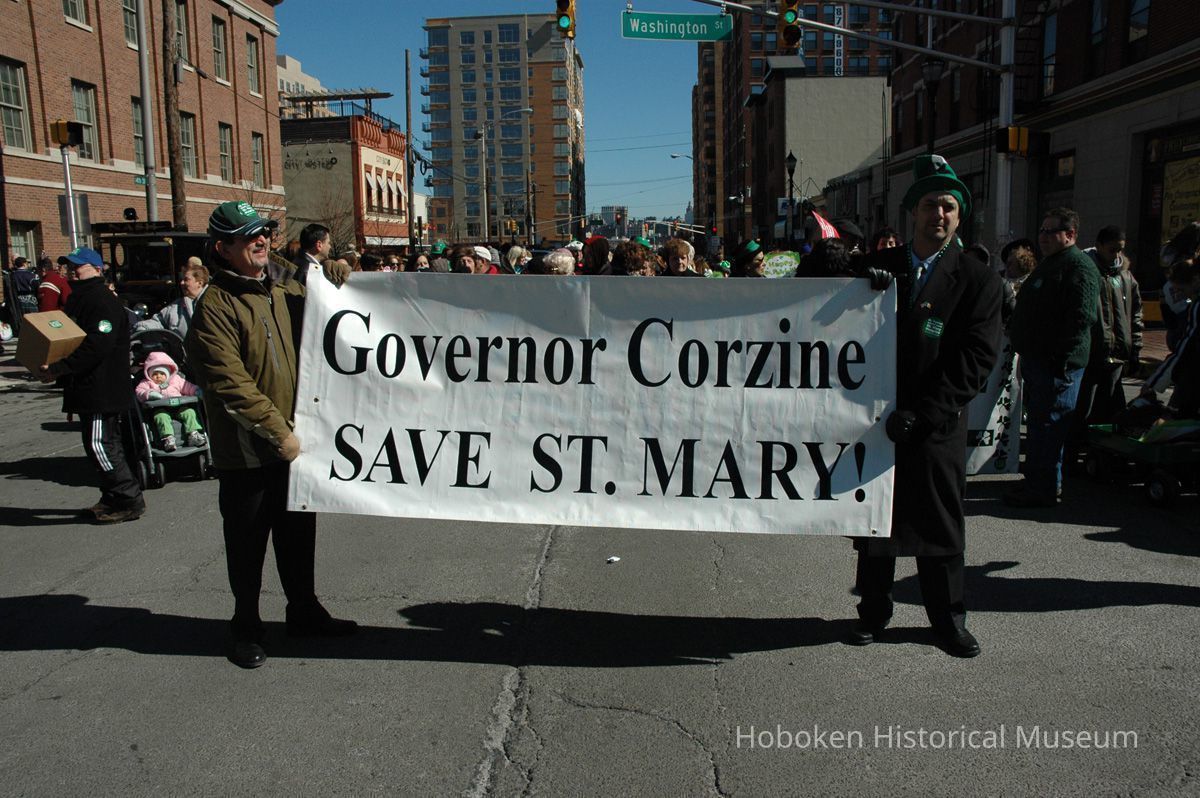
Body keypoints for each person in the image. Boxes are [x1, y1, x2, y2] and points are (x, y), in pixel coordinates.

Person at [186, 201, 355, 669]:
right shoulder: (215, 306)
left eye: (264, 231)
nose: (261, 239)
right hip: (248, 452)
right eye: (248, 236)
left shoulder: (282, 285)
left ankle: (304, 611)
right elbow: (229, 383)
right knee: (248, 544)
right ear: (223, 248)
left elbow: (329, 309)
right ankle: (245, 627)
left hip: (296, 443)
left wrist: (337, 275)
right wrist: (278, 432)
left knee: (298, 537)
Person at [850, 154, 1002, 658]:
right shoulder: (879, 270)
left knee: (940, 526)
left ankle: (948, 619)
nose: (940, 214)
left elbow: (976, 359)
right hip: (875, 421)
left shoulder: (978, 279)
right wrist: (856, 287)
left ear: (959, 217)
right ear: (913, 211)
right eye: (931, 204)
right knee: (876, 520)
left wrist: (927, 413)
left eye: (949, 207)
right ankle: (873, 611)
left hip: (935, 426)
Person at [40, 247, 146, 524]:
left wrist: (59, 368)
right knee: (99, 444)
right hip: (88, 387)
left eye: (79, 266)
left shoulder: (101, 301)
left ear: (97, 269)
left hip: (102, 388)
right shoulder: (79, 298)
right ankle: (111, 497)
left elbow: (97, 346)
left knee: (101, 444)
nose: (73, 271)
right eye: (70, 266)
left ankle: (128, 498)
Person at [1005, 208, 1100, 507]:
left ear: (1070, 234)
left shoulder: (1079, 266)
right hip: (1038, 361)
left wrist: (1060, 359)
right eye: (1041, 231)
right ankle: (1037, 480)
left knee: (1049, 428)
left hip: (1057, 365)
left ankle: (1043, 489)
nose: (1043, 237)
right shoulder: (1051, 263)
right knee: (1038, 426)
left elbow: (1081, 318)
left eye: (1051, 231)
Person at [134, 351, 206, 452]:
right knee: (160, 417)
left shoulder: (176, 380)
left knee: (190, 412)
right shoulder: (147, 383)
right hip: (160, 408)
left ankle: (193, 434)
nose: (158, 376)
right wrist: (149, 394)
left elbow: (187, 386)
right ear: (149, 374)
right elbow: (140, 392)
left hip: (180, 407)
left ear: (168, 373)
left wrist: (196, 391)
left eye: (162, 373)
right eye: (155, 374)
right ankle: (168, 439)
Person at [136, 259, 208, 339]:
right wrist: (142, 328)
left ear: (199, 283)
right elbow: (158, 321)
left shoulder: (213, 303)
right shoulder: (175, 306)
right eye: (181, 280)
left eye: (186, 280)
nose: (182, 283)